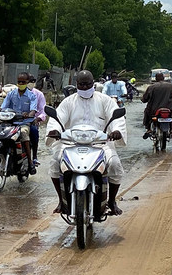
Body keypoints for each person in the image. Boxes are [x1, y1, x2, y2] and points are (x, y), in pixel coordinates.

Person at [45, 70, 126, 220]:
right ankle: (61, 201)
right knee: (55, 162)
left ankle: (112, 201)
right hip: (71, 143)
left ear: (93, 83)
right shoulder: (68, 102)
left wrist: (116, 131)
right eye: (81, 84)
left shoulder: (105, 100)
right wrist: (55, 130)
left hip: (100, 143)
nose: (84, 87)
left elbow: (116, 118)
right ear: (76, 84)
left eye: (87, 84)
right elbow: (58, 118)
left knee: (115, 164)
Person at [0, 72, 38, 174]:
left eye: (23, 82)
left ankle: (30, 163)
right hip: (9, 122)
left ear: (27, 82)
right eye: (19, 82)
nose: (21, 84)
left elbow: (33, 110)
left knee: (24, 133)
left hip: (24, 123)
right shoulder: (11, 94)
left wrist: (29, 114)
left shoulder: (32, 96)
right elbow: (3, 107)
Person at [141, 72, 172, 138]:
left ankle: (148, 129)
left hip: (154, 110)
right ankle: (171, 130)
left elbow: (144, 99)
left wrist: (143, 99)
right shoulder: (171, 86)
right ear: (163, 78)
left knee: (146, 112)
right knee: (171, 116)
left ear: (155, 79)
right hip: (169, 108)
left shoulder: (151, 87)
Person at [27, 75, 48, 165]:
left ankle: (34, 157)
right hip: (16, 121)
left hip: (31, 121)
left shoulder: (38, 95)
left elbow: (43, 112)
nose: (30, 83)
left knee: (34, 131)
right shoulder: (14, 93)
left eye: (33, 81)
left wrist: (37, 119)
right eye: (28, 81)